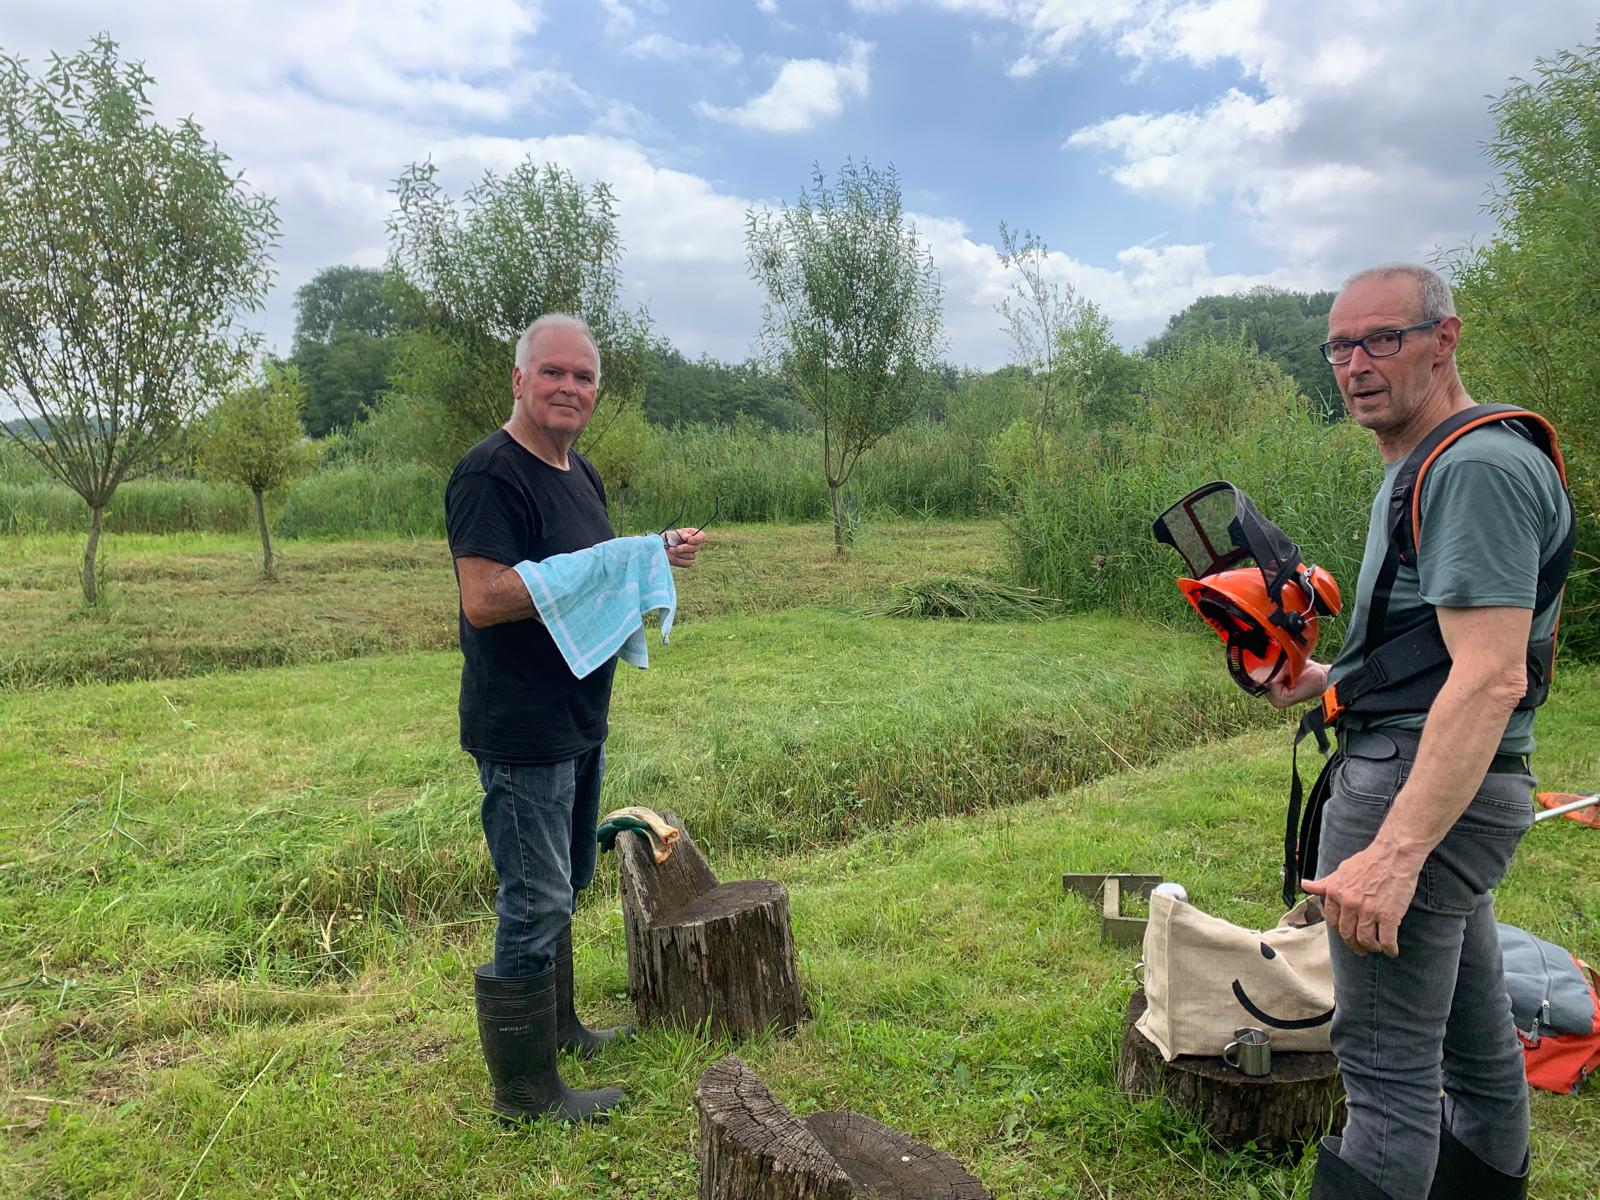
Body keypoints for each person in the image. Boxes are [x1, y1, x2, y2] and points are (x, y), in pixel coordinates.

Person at [1268, 264, 1571, 1200]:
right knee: (1479, 1053)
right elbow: (1445, 658)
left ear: (1445, 340)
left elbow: (1490, 678)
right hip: (1444, 780)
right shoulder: (1432, 459)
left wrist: (1396, 853)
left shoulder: (1473, 465)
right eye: (1340, 346)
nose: (1355, 364)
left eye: (1382, 339)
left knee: (1388, 1082)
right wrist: (1320, 680)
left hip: (1421, 790)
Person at [444, 313, 706, 1123]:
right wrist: (603, 564)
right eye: (552, 372)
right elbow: (484, 599)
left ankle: (559, 1031)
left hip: (576, 715)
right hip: (521, 727)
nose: (568, 388)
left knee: (565, 884)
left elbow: (591, 568)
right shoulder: (490, 474)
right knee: (532, 898)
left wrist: (646, 549)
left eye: (583, 377)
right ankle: (524, 1095)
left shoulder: (579, 473)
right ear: (519, 380)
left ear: (597, 392)